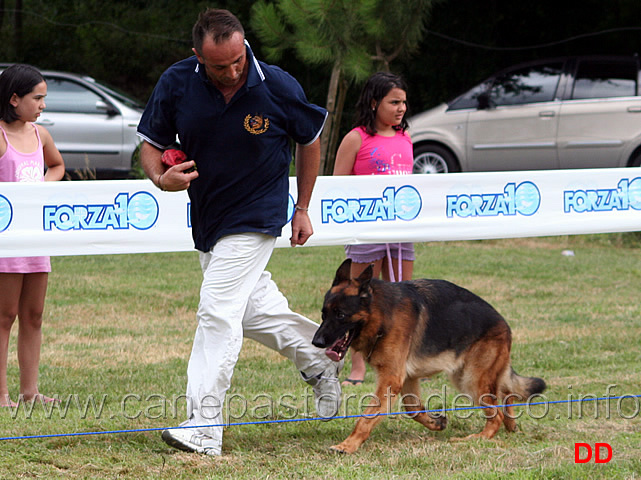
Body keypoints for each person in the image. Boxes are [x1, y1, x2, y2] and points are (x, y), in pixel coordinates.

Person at [136, 9, 342, 456]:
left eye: (237, 61)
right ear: (197, 56)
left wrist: (302, 207)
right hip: (209, 219)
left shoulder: (277, 85)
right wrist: (160, 178)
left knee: (216, 312)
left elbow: (309, 140)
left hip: (258, 216)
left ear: (245, 46)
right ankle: (319, 360)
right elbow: (150, 143)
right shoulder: (176, 82)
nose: (231, 72)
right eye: (219, 66)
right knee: (251, 313)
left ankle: (205, 427)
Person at [333, 72, 415, 386]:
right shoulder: (356, 138)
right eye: (394, 102)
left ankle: (400, 361)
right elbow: (337, 187)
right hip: (366, 229)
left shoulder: (406, 139)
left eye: (404, 102)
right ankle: (357, 366)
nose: (401, 108)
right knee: (360, 296)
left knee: (403, 297)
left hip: (401, 232)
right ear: (374, 102)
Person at [0, 64, 65, 407]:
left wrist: (39, 188)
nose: (42, 105)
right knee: (4, 316)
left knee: (34, 315)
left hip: (36, 238)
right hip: (6, 243)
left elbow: (57, 166)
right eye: (37, 98)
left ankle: (30, 392)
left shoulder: (40, 135)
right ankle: (1, 395)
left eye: (44, 98)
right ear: (13, 99)